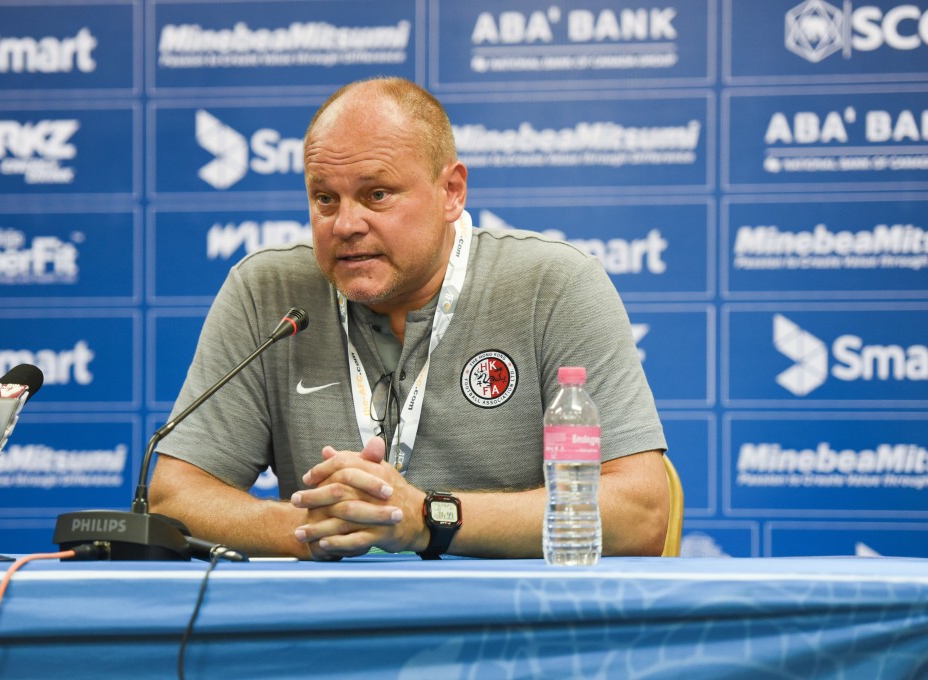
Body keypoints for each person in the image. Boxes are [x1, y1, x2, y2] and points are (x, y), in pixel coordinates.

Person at [149, 77, 669, 561]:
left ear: (452, 192)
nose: (346, 224)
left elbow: (641, 514)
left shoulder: (553, 286)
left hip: (510, 633)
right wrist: (320, 528)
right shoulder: (268, 293)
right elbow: (174, 497)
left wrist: (429, 518)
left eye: (377, 194)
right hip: (326, 633)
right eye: (324, 199)